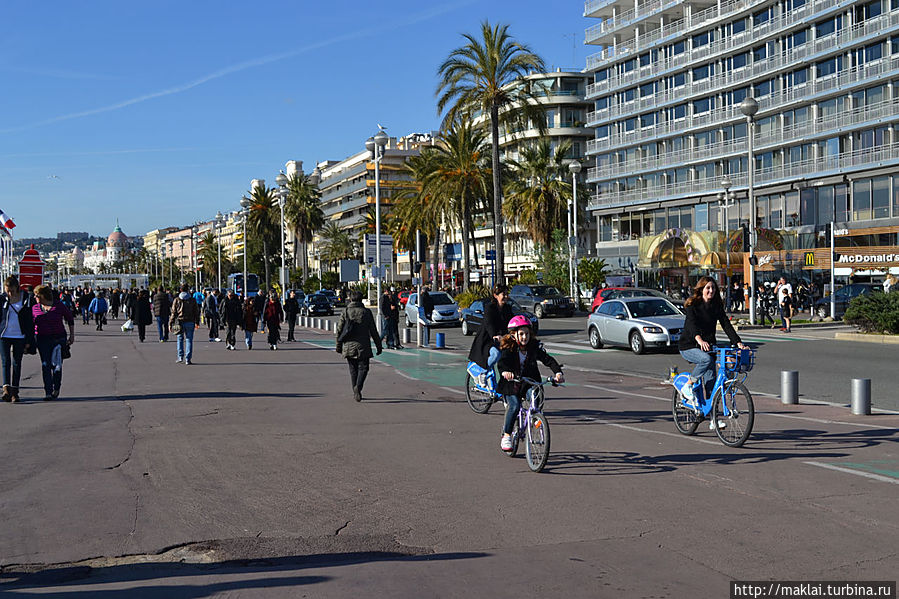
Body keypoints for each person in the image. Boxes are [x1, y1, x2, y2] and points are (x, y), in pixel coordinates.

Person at [678, 276, 748, 416]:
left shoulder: (716, 306)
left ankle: (713, 419)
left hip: (709, 347)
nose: (711, 291)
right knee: (706, 360)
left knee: (711, 382)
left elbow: (726, 325)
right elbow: (691, 325)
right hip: (689, 345)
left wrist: (738, 342)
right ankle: (689, 385)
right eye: (708, 288)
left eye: (713, 288)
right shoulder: (693, 305)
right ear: (701, 289)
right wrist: (699, 339)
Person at [496, 315, 564, 452]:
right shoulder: (509, 348)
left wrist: (558, 373)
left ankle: (536, 420)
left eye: (527, 333)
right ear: (514, 335)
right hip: (511, 383)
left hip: (528, 382)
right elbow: (502, 363)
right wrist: (505, 372)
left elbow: (547, 359)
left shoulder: (533, 347)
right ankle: (507, 435)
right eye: (521, 334)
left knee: (536, 398)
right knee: (514, 406)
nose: (524, 337)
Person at [335, 290, 382, 402]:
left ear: (351, 299)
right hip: (363, 345)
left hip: (348, 345)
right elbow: (373, 331)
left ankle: (355, 390)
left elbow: (339, 330)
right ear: (361, 300)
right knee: (364, 368)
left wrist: (338, 345)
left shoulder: (345, 311)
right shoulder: (366, 312)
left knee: (353, 369)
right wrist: (378, 345)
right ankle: (358, 388)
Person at [32, 284, 75, 400]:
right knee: (45, 365)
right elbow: (31, 324)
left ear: (43, 295)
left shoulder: (58, 305)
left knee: (56, 365)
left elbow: (70, 319)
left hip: (58, 339)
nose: (35, 297)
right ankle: (48, 391)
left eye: (37, 295)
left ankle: (56, 387)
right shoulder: (35, 308)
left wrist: (72, 336)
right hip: (42, 339)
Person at [467, 284, 514, 388]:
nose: (506, 296)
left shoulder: (508, 308)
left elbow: (511, 323)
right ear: (495, 295)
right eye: (503, 294)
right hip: (487, 339)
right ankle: (482, 373)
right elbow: (489, 324)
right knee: (496, 354)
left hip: (502, 339)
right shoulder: (489, 307)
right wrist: (495, 335)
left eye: (507, 294)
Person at [0, 276, 35, 402]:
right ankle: (6, 389)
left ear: (17, 288)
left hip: (20, 335)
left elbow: (30, 321)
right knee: (5, 362)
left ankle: (15, 391)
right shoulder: (2, 298)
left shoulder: (26, 298)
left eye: (11, 291)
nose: (9, 293)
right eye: (7, 291)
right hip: (4, 335)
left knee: (16, 363)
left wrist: (29, 340)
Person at [170, 283, 200, 364]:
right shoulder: (192, 300)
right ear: (188, 290)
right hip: (190, 321)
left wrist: (170, 323)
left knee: (180, 339)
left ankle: (180, 357)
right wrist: (197, 322)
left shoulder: (176, 300)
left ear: (180, 290)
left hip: (179, 321)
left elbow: (173, 312)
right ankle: (188, 359)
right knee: (189, 340)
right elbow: (196, 312)